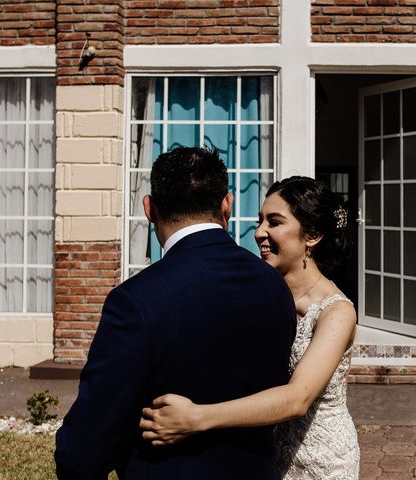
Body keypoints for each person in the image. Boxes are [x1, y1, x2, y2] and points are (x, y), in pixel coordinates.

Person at [54, 146, 296, 480]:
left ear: (149, 209)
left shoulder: (135, 300)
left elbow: (86, 445)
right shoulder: (275, 286)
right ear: (227, 204)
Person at [140, 176, 360, 479]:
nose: (259, 232)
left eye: (275, 222)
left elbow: (298, 399)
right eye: (260, 221)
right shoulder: (261, 292)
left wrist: (196, 418)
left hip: (318, 461)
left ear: (311, 235)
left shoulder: (337, 312)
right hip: (261, 455)